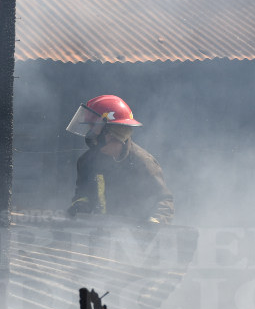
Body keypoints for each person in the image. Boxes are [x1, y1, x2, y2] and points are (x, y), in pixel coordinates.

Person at [64, 95, 174, 223]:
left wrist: (152, 227)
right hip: (101, 234)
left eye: (94, 127)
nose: (91, 134)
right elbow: (84, 193)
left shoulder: (142, 162)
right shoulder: (87, 161)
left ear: (113, 132)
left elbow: (164, 202)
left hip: (136, 238)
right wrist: (80, 207)